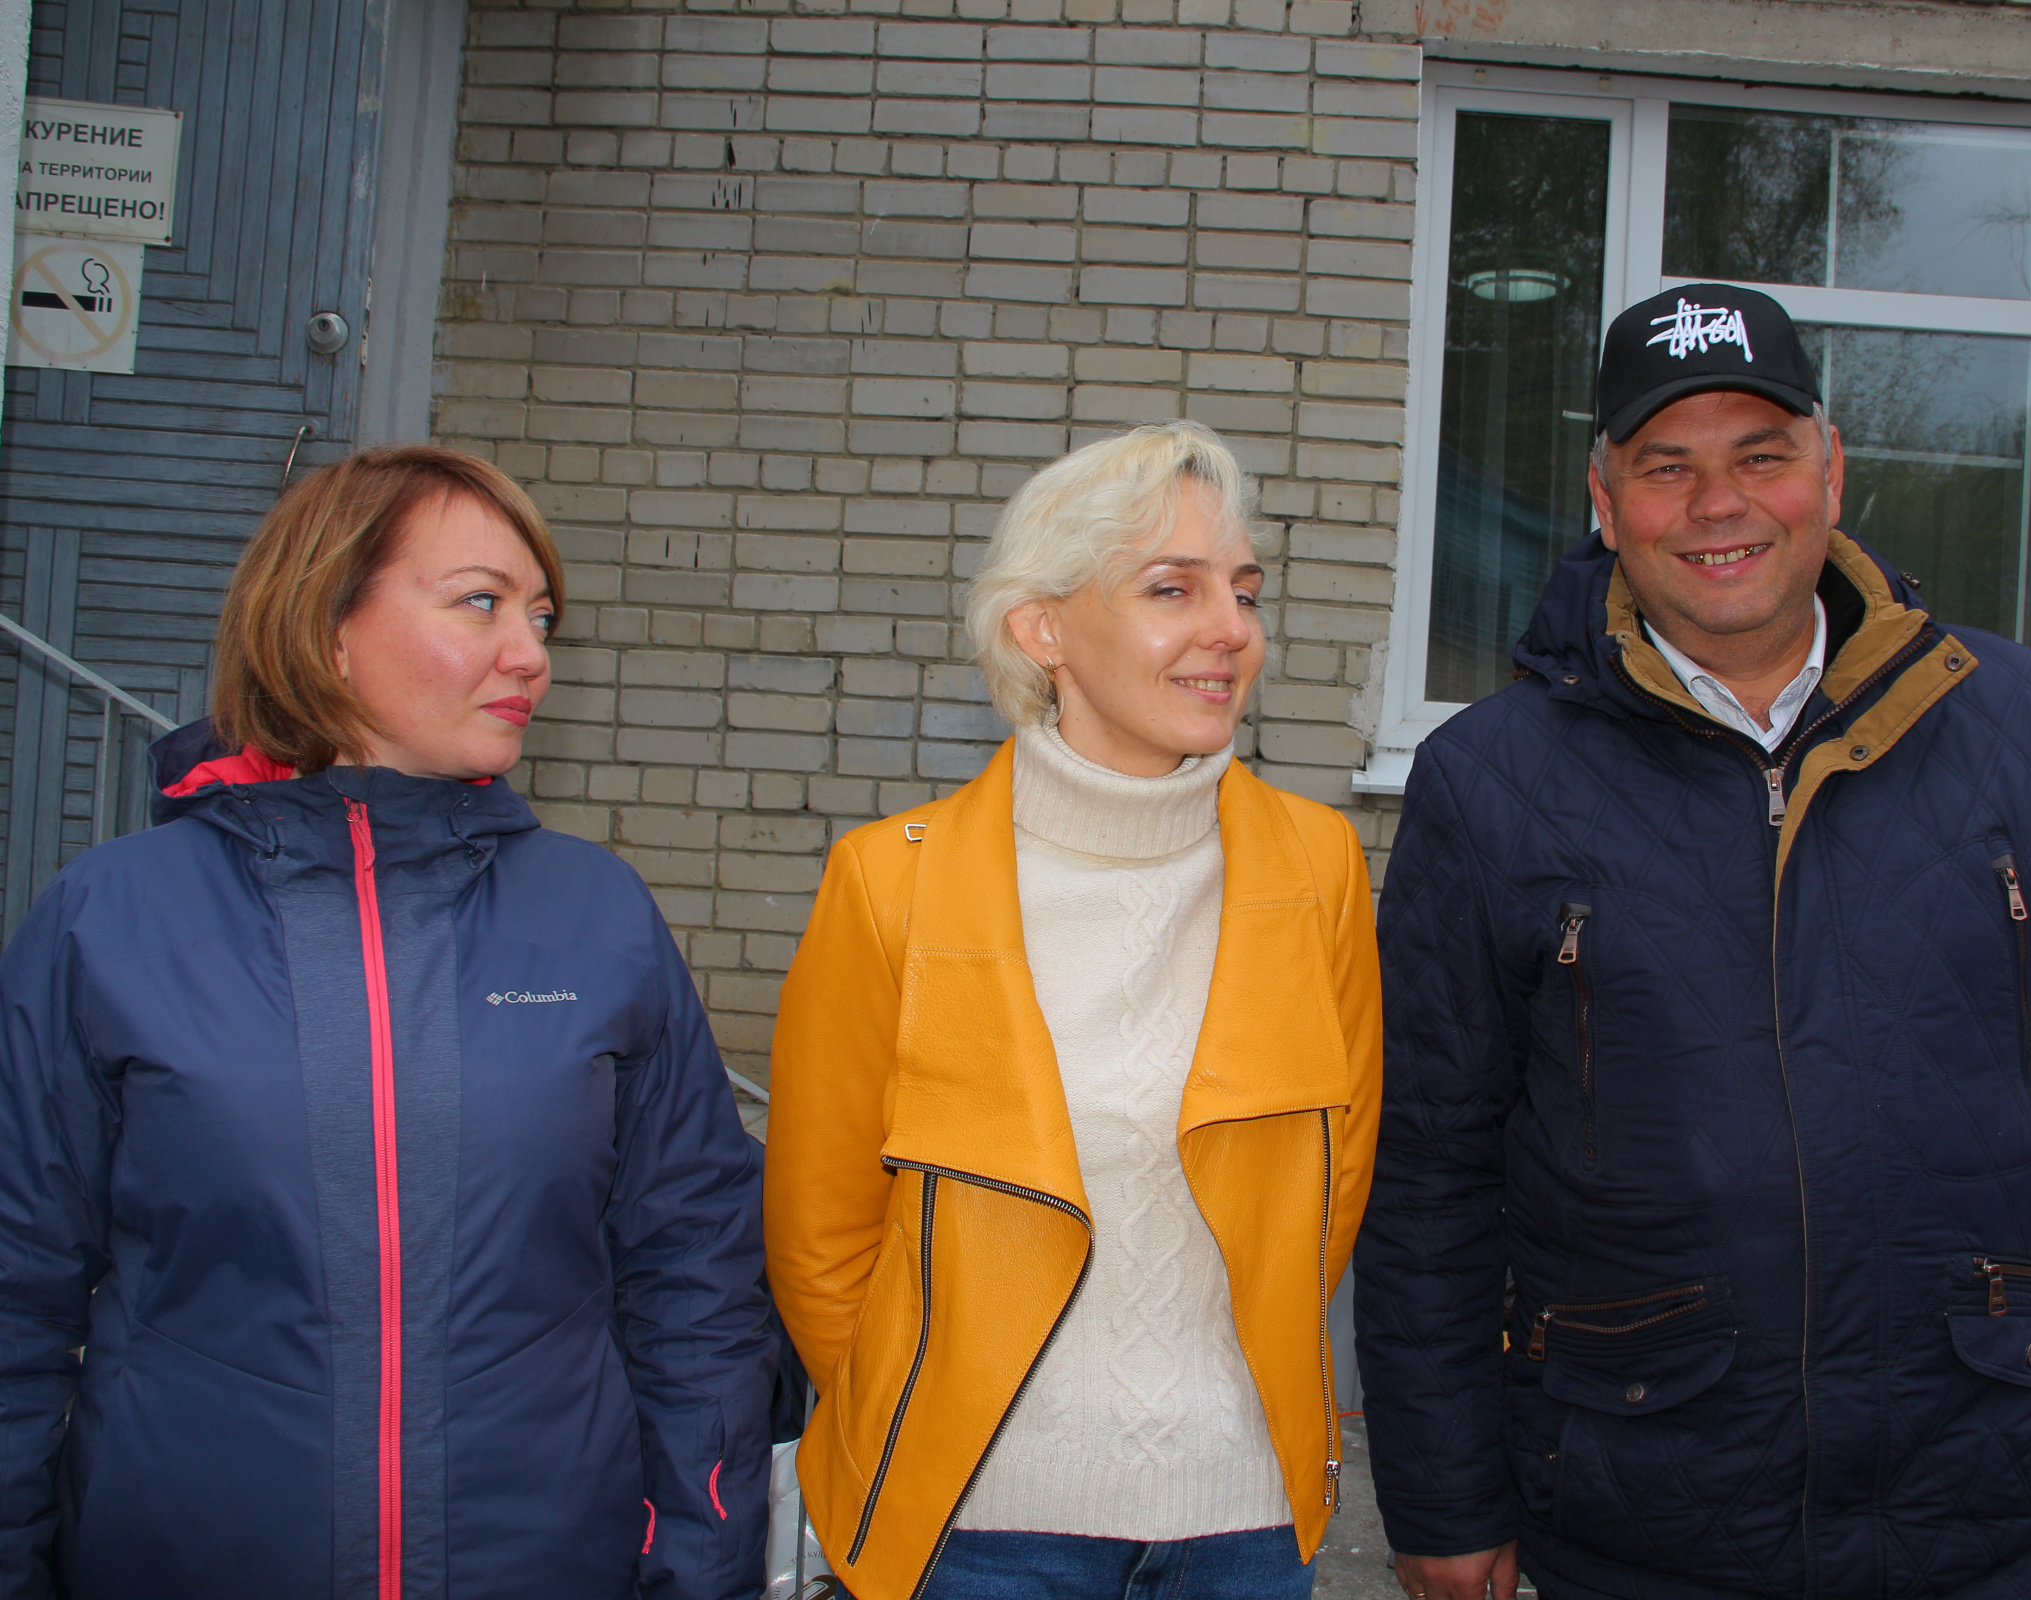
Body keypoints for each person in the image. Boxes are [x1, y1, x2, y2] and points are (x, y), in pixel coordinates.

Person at [1356, 285, 2031, 1600]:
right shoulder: (1492, 781)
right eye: (1668, 466)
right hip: (1637, 1518)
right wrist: (1444, 1494)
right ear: (1605, 502)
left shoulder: (2025, 728)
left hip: (1979, 1504)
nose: (1720, 505)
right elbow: (1428, 1169)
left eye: (1761, 455)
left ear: (1831, 472)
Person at [0, 447, 775, 1599]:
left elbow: (694, 1279)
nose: (532, 654)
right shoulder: (108, 918)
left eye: (541, 617)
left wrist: (701, 1564)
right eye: (481, 602)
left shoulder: (596, 914)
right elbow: (17, 1290)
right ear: (328, 627)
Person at [765, 420, 1381, 1600]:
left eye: (1245, 590)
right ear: (1040, 628)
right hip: (976, 1532)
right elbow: (820, 1231)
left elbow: (1329, 1189)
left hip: (1244, 1524)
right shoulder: (889, 884)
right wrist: (927, 1419)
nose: (1231, 628)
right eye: (1172, 588)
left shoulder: (1318, 869)